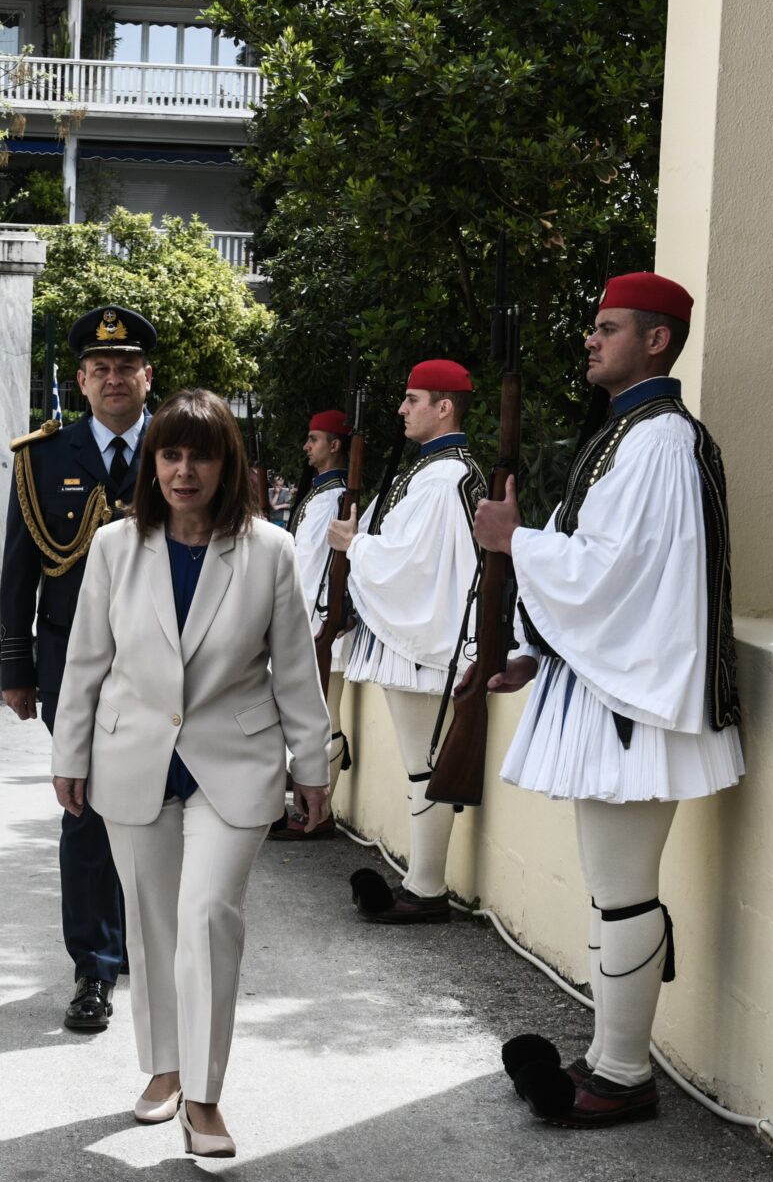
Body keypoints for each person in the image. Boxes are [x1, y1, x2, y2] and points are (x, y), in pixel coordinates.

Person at [476, 274, 744, 1129]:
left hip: (637, 699)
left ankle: (624, 1073)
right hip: (614, 688)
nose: (590, 339)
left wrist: (514, 541)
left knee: (623, 889)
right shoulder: (629, 433)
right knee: (613, 887)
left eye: (609, 327)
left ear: (657, 341)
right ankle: (609, 1055)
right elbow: (595, 558)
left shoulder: (659, 441)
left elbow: (616, 576)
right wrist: (532, 650)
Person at [49, 389, 332, 1160]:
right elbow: (86, 660)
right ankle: (165, 1068)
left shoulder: (269, 550)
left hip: (233, 763)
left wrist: (313, 765)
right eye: (169, 455)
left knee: (207, 914)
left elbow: (295, 669)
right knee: (153, 923)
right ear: (153, 465)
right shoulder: (115, 546)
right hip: (133, 756)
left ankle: (204, 1097)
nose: (183, 470)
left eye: (199, 456)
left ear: (225, 464)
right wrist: (69, 753)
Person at [0, 306, 155, 1033]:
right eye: (100, 369)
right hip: (71, 664)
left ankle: (149, 953)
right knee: (86, 811)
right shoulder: (42, 456)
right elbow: (19, 567)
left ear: (147, 376)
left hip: (166, 667)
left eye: (127, 367)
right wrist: (15, 665)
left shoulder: (182, 447)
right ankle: (94, 967)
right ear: (83, 381)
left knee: (158, 810)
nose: (114, 378)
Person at [326, 360, 483, 923]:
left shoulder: (444, 478)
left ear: (444, 407)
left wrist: (355, 545)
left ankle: (426, 888)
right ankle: (422, 883)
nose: (402, 409)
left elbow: (412, 563)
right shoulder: (436, 471)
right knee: (425, 764)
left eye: (413, 399)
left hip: (425, 642)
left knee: (426, 766)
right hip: (421, 639)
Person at [275, 408, 353, 839]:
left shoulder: (334, 498)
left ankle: (318, 816)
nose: (306, 446)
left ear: (335, 445)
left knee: (327, 717)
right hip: (311, 621)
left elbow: (312, 569)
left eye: (314, 439)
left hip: (321, 624)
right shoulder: (321, 494)